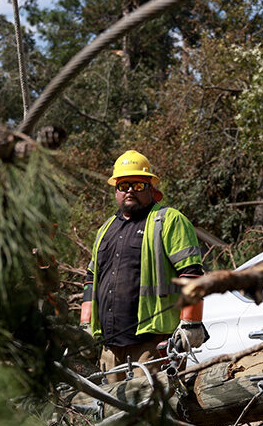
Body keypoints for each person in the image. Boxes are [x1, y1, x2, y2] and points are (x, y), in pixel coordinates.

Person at [81, 150, 207, 381]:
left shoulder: (169, 220)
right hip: (110, 347)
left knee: (155, 413)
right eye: (124, 185)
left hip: (153, 344)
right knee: (114, 413)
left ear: (151, 188)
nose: (130, 190)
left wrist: (190, 324)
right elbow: (91, 279)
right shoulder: (106, 229)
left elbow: (191, 274)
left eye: (138, 185)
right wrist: (84, 325)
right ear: (116, 190)